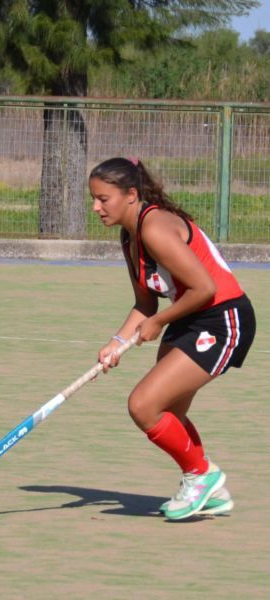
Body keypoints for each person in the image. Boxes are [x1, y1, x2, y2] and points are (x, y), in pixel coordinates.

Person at [89, 157, 256, 520]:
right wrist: (117, 343)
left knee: (143, 405)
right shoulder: (129, 237)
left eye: (103, 198)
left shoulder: (154, 228)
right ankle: (211, 491)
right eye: (95, 199)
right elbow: (144, 304)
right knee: (168, 414)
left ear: (131, 194)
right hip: (190, 316)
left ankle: (201, 475)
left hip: (222, 319)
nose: (96, 207)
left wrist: (160, 321)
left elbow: (205, 288)